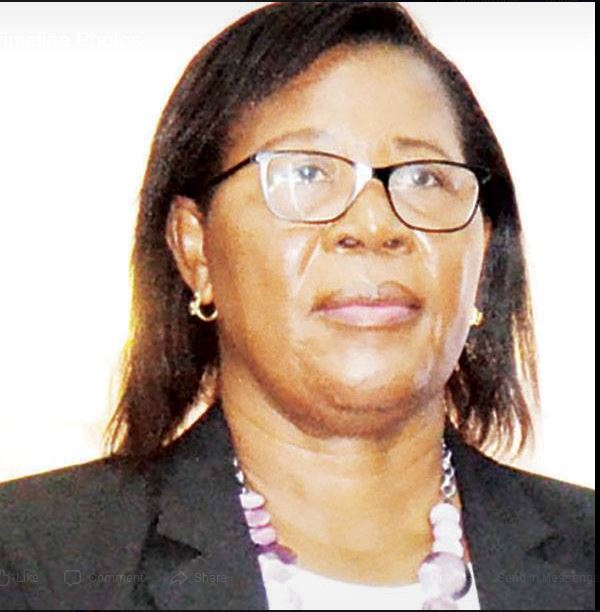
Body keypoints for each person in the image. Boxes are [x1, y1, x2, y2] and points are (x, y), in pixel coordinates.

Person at [0, 3, 594, 610]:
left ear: (482, 254)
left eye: (424, 178)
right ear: (195, 249)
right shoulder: (34, 566)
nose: (373, 225)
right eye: (306, 174)